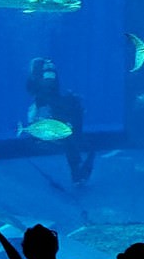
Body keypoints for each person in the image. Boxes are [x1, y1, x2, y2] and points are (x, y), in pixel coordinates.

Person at [26, 56, 94, 184]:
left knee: (71, 139)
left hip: (63, 110)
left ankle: (78, 172)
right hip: (67, 109)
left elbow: (39, 92)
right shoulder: (49, 73)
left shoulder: (40, 75)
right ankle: (78, 172)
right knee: (73, 139)